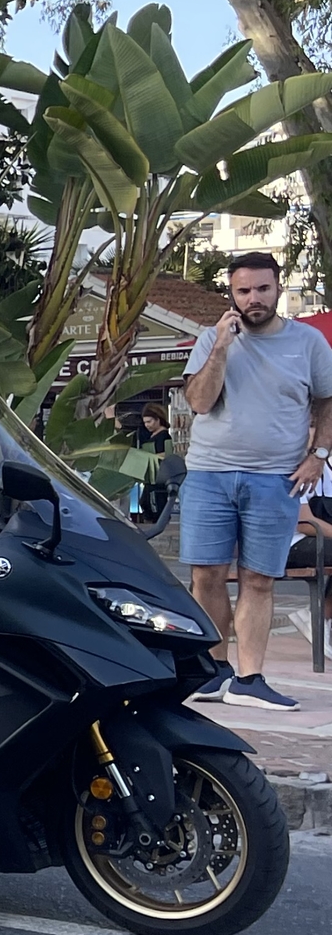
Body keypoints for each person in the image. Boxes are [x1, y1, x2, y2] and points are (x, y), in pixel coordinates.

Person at [177, 250, 332, 711]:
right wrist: (222, 346)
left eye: (262, 288)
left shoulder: (308, 343)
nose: (253, 298)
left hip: (276, 478)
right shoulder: (212, 339)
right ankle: (213, 670)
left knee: (259, 579)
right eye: (243, 290)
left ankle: (250, 677)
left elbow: (326, 402)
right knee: (205, 576)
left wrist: (318, 454)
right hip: (209, 474)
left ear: (278, 287)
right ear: (232, 293)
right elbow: (200, 402)